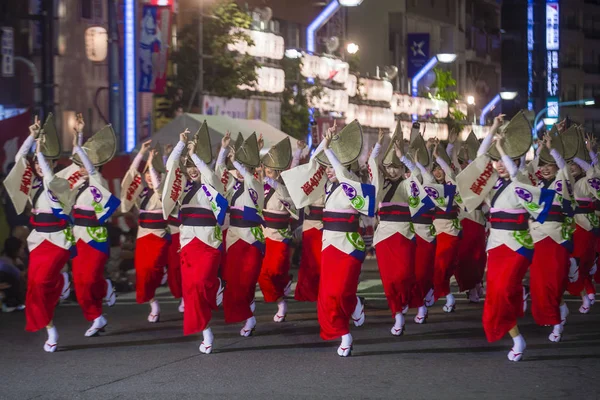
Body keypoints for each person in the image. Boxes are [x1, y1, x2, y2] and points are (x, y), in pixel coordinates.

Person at [457, 111, 554, 361]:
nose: (499, 164)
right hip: (497, 244)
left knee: (502, 291)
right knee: (496, 294)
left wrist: (502, 149)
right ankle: (517, 338)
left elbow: (513, 172)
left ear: (516, 159)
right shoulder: (490, 185)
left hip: (519, 245)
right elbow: (480, 158)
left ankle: (517, 303)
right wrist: (493, 128)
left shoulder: (523, 179)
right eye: (497, 161)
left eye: (504, 160)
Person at [284, 120, 375, 356]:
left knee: (341, 291)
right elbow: (315, 162)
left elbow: (342, 172)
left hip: (349, 245)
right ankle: (344, 333)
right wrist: (325, 142)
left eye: (333, 167)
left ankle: (353, 304)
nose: (329, 171)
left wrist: (331, 149)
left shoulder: (353, 184)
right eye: (328, 168)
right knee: (328, 294)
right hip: (329, 244)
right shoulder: (325, 186)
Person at [4, 115, 74, 352]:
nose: (37, 166)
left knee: (43, 280)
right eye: (35, 164)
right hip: (38, 240)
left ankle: (61, 279)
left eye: (41, 163)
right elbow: (18, 160)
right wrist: (32, 138)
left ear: (52, 163)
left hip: (58, 240)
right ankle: (50, 328)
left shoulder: (61, 183)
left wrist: (41, 152)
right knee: (34, 286)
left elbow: (50, 180)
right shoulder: (32, 184)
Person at [161, 125, 227, 354]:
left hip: (208, 242)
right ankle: (206, 331)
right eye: (188, 167)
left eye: (194, 166)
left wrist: (194, 155)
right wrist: (181, 145)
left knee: (201, 283)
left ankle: (216, 284)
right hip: (188, 242)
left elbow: (208, 174)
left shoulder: (213, 183)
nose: (192, 170)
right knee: (191, 290)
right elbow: (170, 169)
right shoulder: (182, 188)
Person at [66, 115, 120, 337]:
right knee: (79, 282)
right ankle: (97, 317)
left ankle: (103, 285)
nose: (79, 167)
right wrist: (77, 135)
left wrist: (79, 142)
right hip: (77, 235)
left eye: (83, 163)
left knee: (89, 278)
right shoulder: (76, 184)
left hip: (95, 236)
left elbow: (90, 166)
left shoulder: (100, 181)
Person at [368, 125, 422, 336]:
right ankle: (397, 315)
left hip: (404, 236)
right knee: (389, 280)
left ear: (402, 169)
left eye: (396, 167)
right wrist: (379, 145)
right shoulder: (380, 186)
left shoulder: (408, 184)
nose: (392, 170)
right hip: (384, 238)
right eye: (389, 166)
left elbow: (418, 175)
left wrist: (404, 156)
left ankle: (406, 300)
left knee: (404, 275)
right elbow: (372, 165)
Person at [528, 128, 574, 342]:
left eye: (550, 165)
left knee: (554, 283)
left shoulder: (562, 182)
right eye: (543, 166)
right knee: (539, 283)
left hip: (557, 240)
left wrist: (551, 149)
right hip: (537, 240)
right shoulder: (536, 186)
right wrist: (539, 151)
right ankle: (559, 311)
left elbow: (564, 167)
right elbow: (528, 169)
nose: (546, 169)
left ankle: (556, 320)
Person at [220, 133, 265, 336]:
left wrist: (240, 160)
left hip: (252, 237)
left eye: (245, 167)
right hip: (233, 236)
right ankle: (248, 317)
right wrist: (223, 152)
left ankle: (248, 305)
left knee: (247, 280)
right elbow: (217, 173)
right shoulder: (230, 185)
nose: (238, 171)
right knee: (233, 280)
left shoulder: (256, 184)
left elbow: (248, 176)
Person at [121, 140, 169, 323]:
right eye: (147, 174)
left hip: (159, 236)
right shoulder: (140, 191)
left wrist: (152, 164)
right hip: (142, 236)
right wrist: (141, 154)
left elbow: (157, 185)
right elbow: (130, 177)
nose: (149, 176)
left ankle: (162, 273)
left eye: (152, 173)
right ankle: (153, 303)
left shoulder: (162, 190)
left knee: (153, 269)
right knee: (142, 273)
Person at [257, 137, 299, 322]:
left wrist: (271, 180)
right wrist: (257, 150)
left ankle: (282, 290)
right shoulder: (261, 185)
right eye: (266, 170)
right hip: (264, 235)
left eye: (272, 171)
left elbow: (292, 204)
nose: (268, 173)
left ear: (279, 172)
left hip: (280, 237)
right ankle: (281, 299)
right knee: (263, 275)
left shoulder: (285, 186)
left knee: (273, 272)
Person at [451, 131, 487, 303]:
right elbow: (447, 166)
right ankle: (471, 287)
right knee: (464, 258)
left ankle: (477, 282)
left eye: (467, 161)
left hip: (478, 221)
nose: (464, 164)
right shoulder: (456, 177)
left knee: (479, 257)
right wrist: (450, 146)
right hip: (462, 222)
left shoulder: (480, 179)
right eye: (462, 161)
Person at [567, 130, 600, 314]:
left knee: (578, 263)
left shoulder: (587, 181)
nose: (571, 167)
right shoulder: (565, 181)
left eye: (575, 164)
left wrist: (590, 153)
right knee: (572, 264)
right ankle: (587, 292)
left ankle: (587, 294)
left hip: (584, 225)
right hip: (569, 226)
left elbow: (594, 174)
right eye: (569, 163)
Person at [0, 236, 26, 312]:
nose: (23, 251)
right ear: (15, 249)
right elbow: (20, 275)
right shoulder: (5, 262)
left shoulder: (14, 260)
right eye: (21, 248)